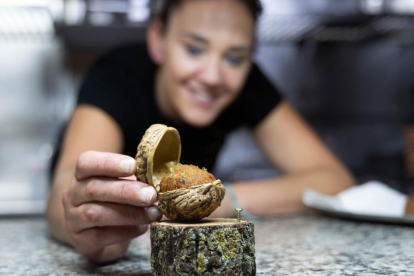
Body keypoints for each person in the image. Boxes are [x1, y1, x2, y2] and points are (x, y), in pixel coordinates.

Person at [46, 0, 355, 263]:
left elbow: (334, 181)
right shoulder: (115, 75)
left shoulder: (247, 84)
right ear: (158, 40)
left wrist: (216, 199)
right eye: (194, 49)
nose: (212, 76)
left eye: (235, 58)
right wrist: (88, 225)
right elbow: (65, 185)